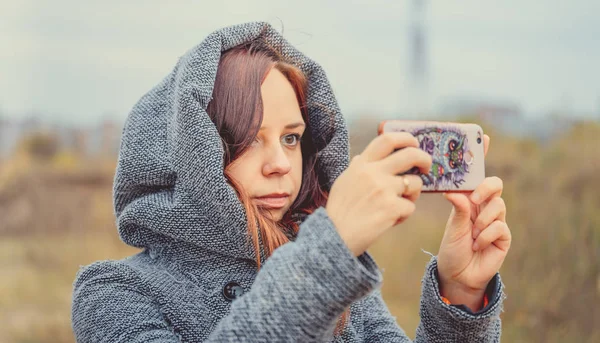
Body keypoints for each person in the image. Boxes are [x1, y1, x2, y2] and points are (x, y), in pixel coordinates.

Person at [71, 22, 511, 342]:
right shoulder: (114, 293)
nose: (281, 163)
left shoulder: (342, 281)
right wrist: (326, 256)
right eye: (247, 140)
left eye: (291, 137)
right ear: (188, 152)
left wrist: (460, 297)